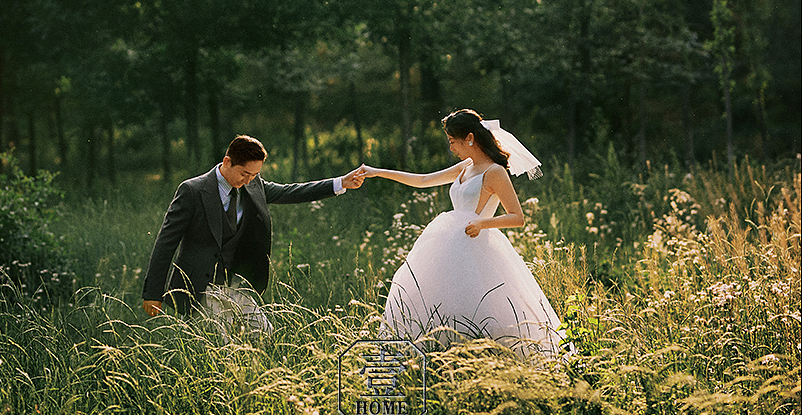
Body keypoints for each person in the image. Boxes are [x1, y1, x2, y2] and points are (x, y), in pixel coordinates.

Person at [359, 110, 567, 357]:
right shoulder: (466, 167)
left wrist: (482, 224)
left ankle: (483, 355)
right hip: (448, 243)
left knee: (480, 303)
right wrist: (377, 172)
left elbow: (517, 217)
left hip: (475, 245)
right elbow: (424, 180)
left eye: (452, 141)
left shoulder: (494, 172)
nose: (451, 148)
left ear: (469, 138)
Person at [142, 133, 365, 338]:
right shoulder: (192, 191)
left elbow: (291, 191)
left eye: (255, 174)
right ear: (227, 161)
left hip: (238, 283)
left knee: (264, 334)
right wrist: (153, 292)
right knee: (218, 344)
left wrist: (340, 183)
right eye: (244, 173)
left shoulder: (254, 185)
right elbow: (165, 242)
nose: (249, 180)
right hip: (202, 285)